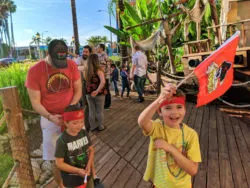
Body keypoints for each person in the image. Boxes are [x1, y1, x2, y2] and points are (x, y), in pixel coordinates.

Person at [25, 39, 82, 187]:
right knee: (56, 159)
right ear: (48, 54)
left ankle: (82, 181)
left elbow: (78, 90)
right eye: (56, 61)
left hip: (72, 116)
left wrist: (71, 108)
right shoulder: (34, 71)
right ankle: (62, 186)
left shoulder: (71, 64)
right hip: (50, 118)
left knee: (79, 152)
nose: (60, 66)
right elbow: (35, 103)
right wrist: (50, 116)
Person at [138, 83, 201, 188]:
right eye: (168, 108)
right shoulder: (157, 128)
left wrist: (170, 148)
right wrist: (159, 99)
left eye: (179, 107)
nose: (174, 112)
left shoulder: (191, 135)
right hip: (160, 184)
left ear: (185, 109)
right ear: (159, 111)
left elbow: (193, 170)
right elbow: (142, 122)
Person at [55, 104, 94, 188]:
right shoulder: (62, 141)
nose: (80, 125)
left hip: (87, 175)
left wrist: (89, 165)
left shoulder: (84, 133)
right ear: (66, 123)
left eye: (82, 121)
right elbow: (59, 164)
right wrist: (78, 171)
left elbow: (91, 150)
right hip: (71, 180)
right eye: (75, 123)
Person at [84, 54, 106, 131]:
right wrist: (97, 91)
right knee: (99, 111)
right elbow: (103, 82)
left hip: (89, 93)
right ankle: (100, 126)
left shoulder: (86, 70)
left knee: (91, 110)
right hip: (99, 93)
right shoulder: (99, 70)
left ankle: (92, 127)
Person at [97, 44, 111, 109]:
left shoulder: (103, 55)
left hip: (104, 75)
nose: (97, 48)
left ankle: (106, 105)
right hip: (103, 75)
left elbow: (107, 65)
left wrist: (106, 74)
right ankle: (105, 104)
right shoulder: (100, 55)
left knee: (106, 89)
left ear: (101, 48)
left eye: (98, 47)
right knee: (104, 89)